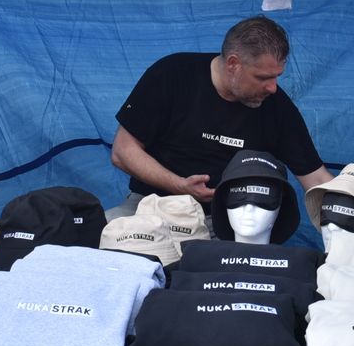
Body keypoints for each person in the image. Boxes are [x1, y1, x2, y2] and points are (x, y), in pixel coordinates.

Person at [110, 17, 331, 217]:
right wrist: (179, 185)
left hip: (228, 219)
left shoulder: (277, 106)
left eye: (277, 77)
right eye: (263, 77)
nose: (273, 88)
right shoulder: (172, 74)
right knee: (104, 235)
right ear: (233, 64)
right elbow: (122, 151)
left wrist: (352, 210)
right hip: (150, 206)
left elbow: (317, 179)